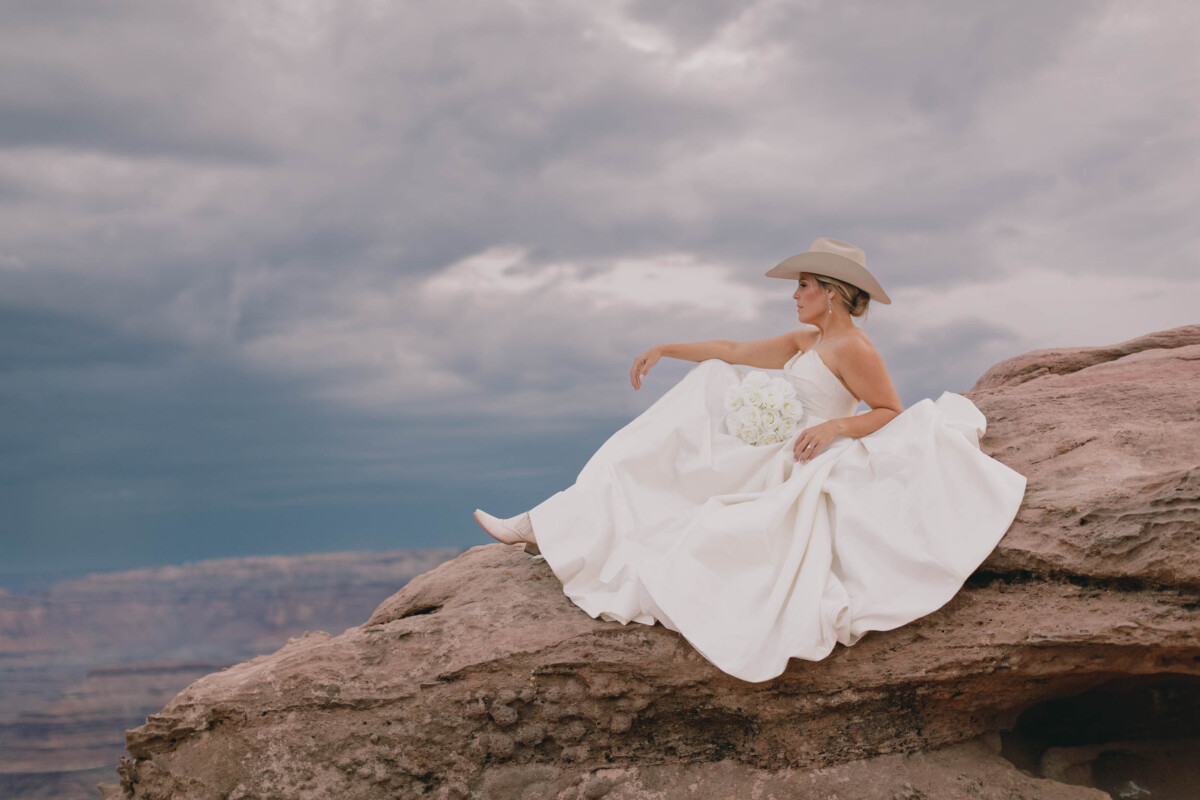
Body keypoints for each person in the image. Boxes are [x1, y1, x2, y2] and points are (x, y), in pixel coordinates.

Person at [473, 237, 1027, 683]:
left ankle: (548, 528)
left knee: (687, 509)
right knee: (701, 391)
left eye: (804, 285)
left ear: (832, 291)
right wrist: (666, 348)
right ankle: (547, 524)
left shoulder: (853, 348)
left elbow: (889, 410)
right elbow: (733, 351)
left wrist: (835, 424)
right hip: (767, 446)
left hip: (798, 456)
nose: (795, 294)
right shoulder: (805, 340)